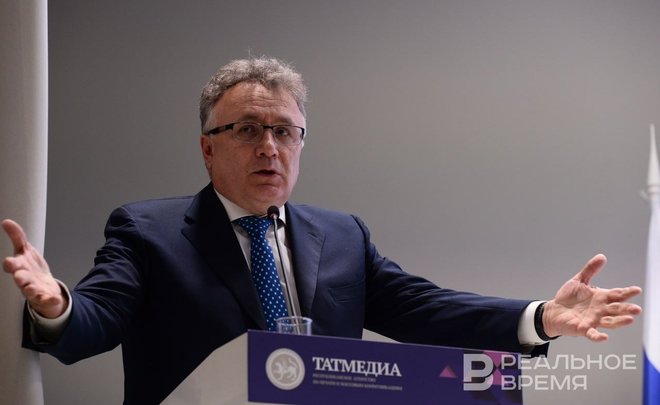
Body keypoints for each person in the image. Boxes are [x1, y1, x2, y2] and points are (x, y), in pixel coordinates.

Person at [2, 57, 642, 405]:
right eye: (247, 130)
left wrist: (541, 317)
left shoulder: (342, 235)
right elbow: (99, 318)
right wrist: (57, 305)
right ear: (207, 148)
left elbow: (424, 309)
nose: (269, 147)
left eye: (285, 131)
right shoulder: (148, 229)